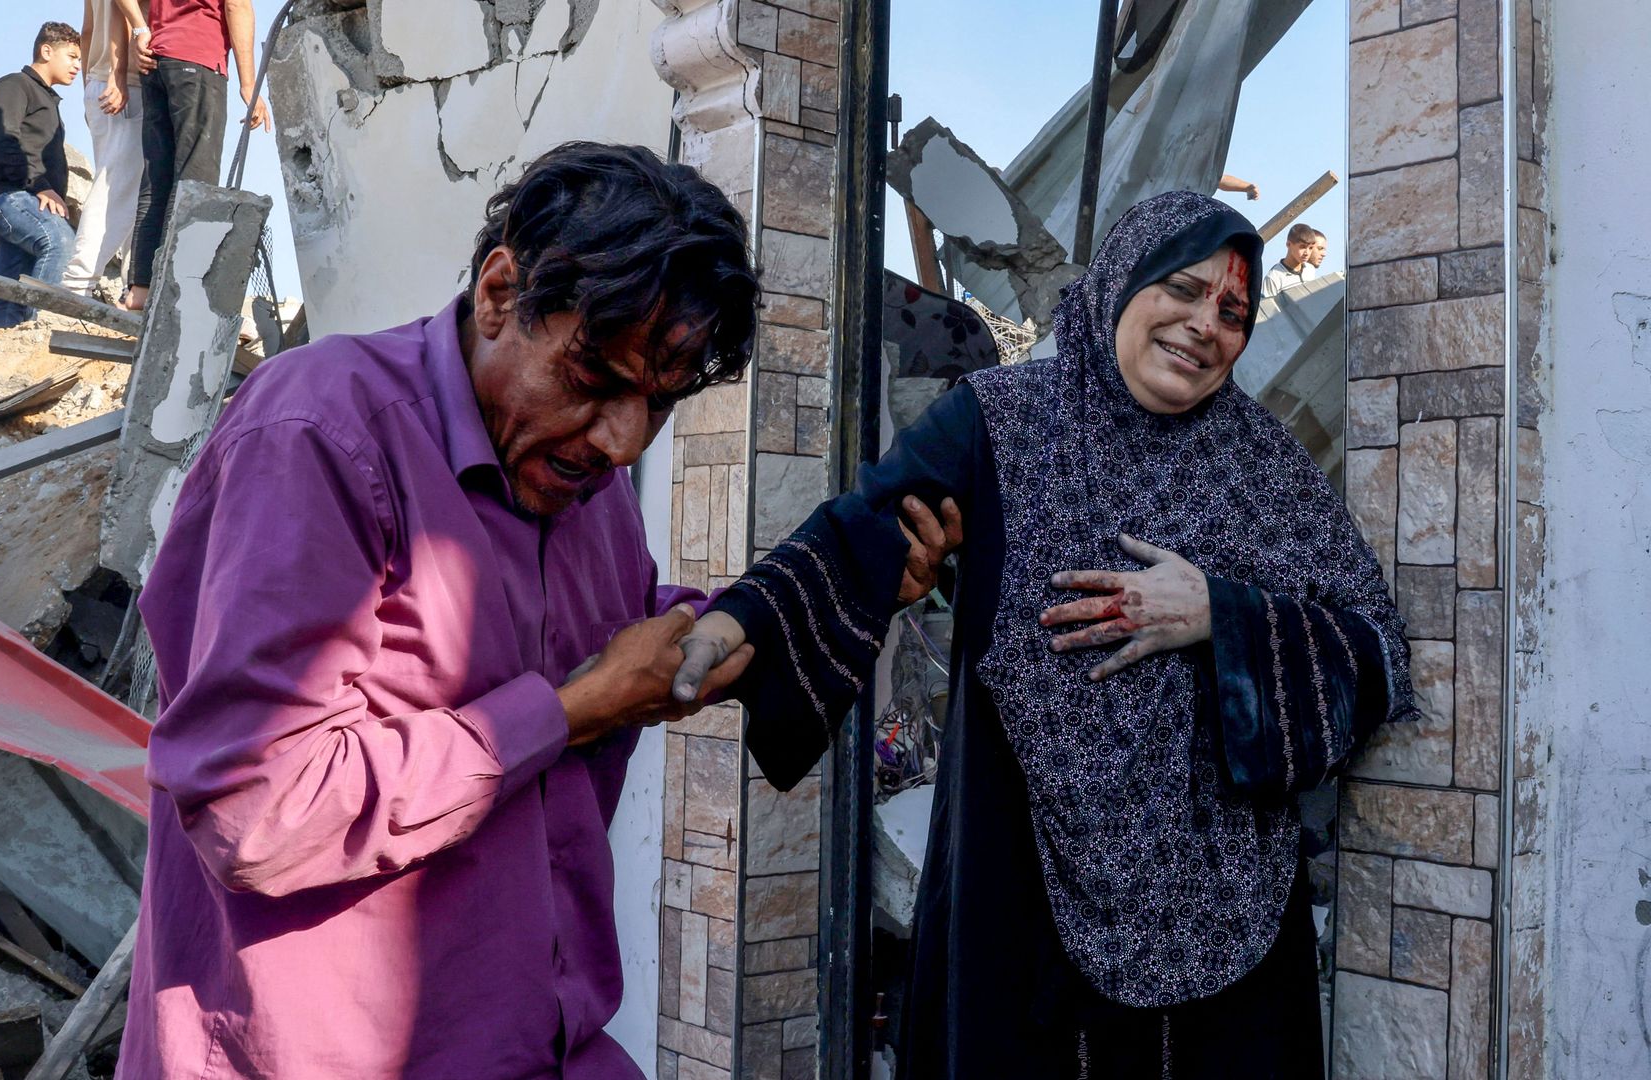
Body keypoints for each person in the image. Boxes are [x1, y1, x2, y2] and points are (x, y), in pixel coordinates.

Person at [116, 142, 956, 1078]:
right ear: (499, 293)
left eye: (661, 403)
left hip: (542, 1045)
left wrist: (831, 592)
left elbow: (629, 639)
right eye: (593, 382)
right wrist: (565, 714)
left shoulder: (576, 485)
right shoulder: (319, 436)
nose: (622, 439)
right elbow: (257, 808)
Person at [669, 191, 1416, 1078]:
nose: (1202, 325)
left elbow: (1373, 650)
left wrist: (1219, 613)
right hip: (1026, 887)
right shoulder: (1003, 421)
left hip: (1230, 912)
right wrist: (739, 616)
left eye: (1232, 312)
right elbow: (867, 522)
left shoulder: (1265, 465)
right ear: (1122, 281)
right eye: (1179, 288)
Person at [123, 0, 269, 312]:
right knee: (196, 183)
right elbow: (238, 5)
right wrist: (249, 84)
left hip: (157, 61)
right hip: (198, 59)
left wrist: (139, 29)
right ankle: (180, 294)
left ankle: (141, 289)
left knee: (156, 180)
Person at [0, 22, 82, 329]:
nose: (77, 66)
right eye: (72, 56)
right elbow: (3, 140)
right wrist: (41, 186)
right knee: (59, 240)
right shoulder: (14, 85)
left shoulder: (48, 101)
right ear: (47, 51)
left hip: (25, 197)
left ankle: (0, 340)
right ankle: (42, 329)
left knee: (11, 280)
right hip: (6, 195)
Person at [60, 0, 143, 297]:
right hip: (126, 83)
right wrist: (116, 74)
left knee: (131, 191)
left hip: (99, 83)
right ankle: (77, 282)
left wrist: (89, 87)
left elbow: (88, 29)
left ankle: (133, 286)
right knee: (117, 188)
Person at [1262, 222, 1321, 295]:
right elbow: (1267, 306)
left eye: (1311, 248)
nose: (1307, 253)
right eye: (1302, 247)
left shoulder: (1310, 269)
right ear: (1288, 244)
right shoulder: (1274, 277)